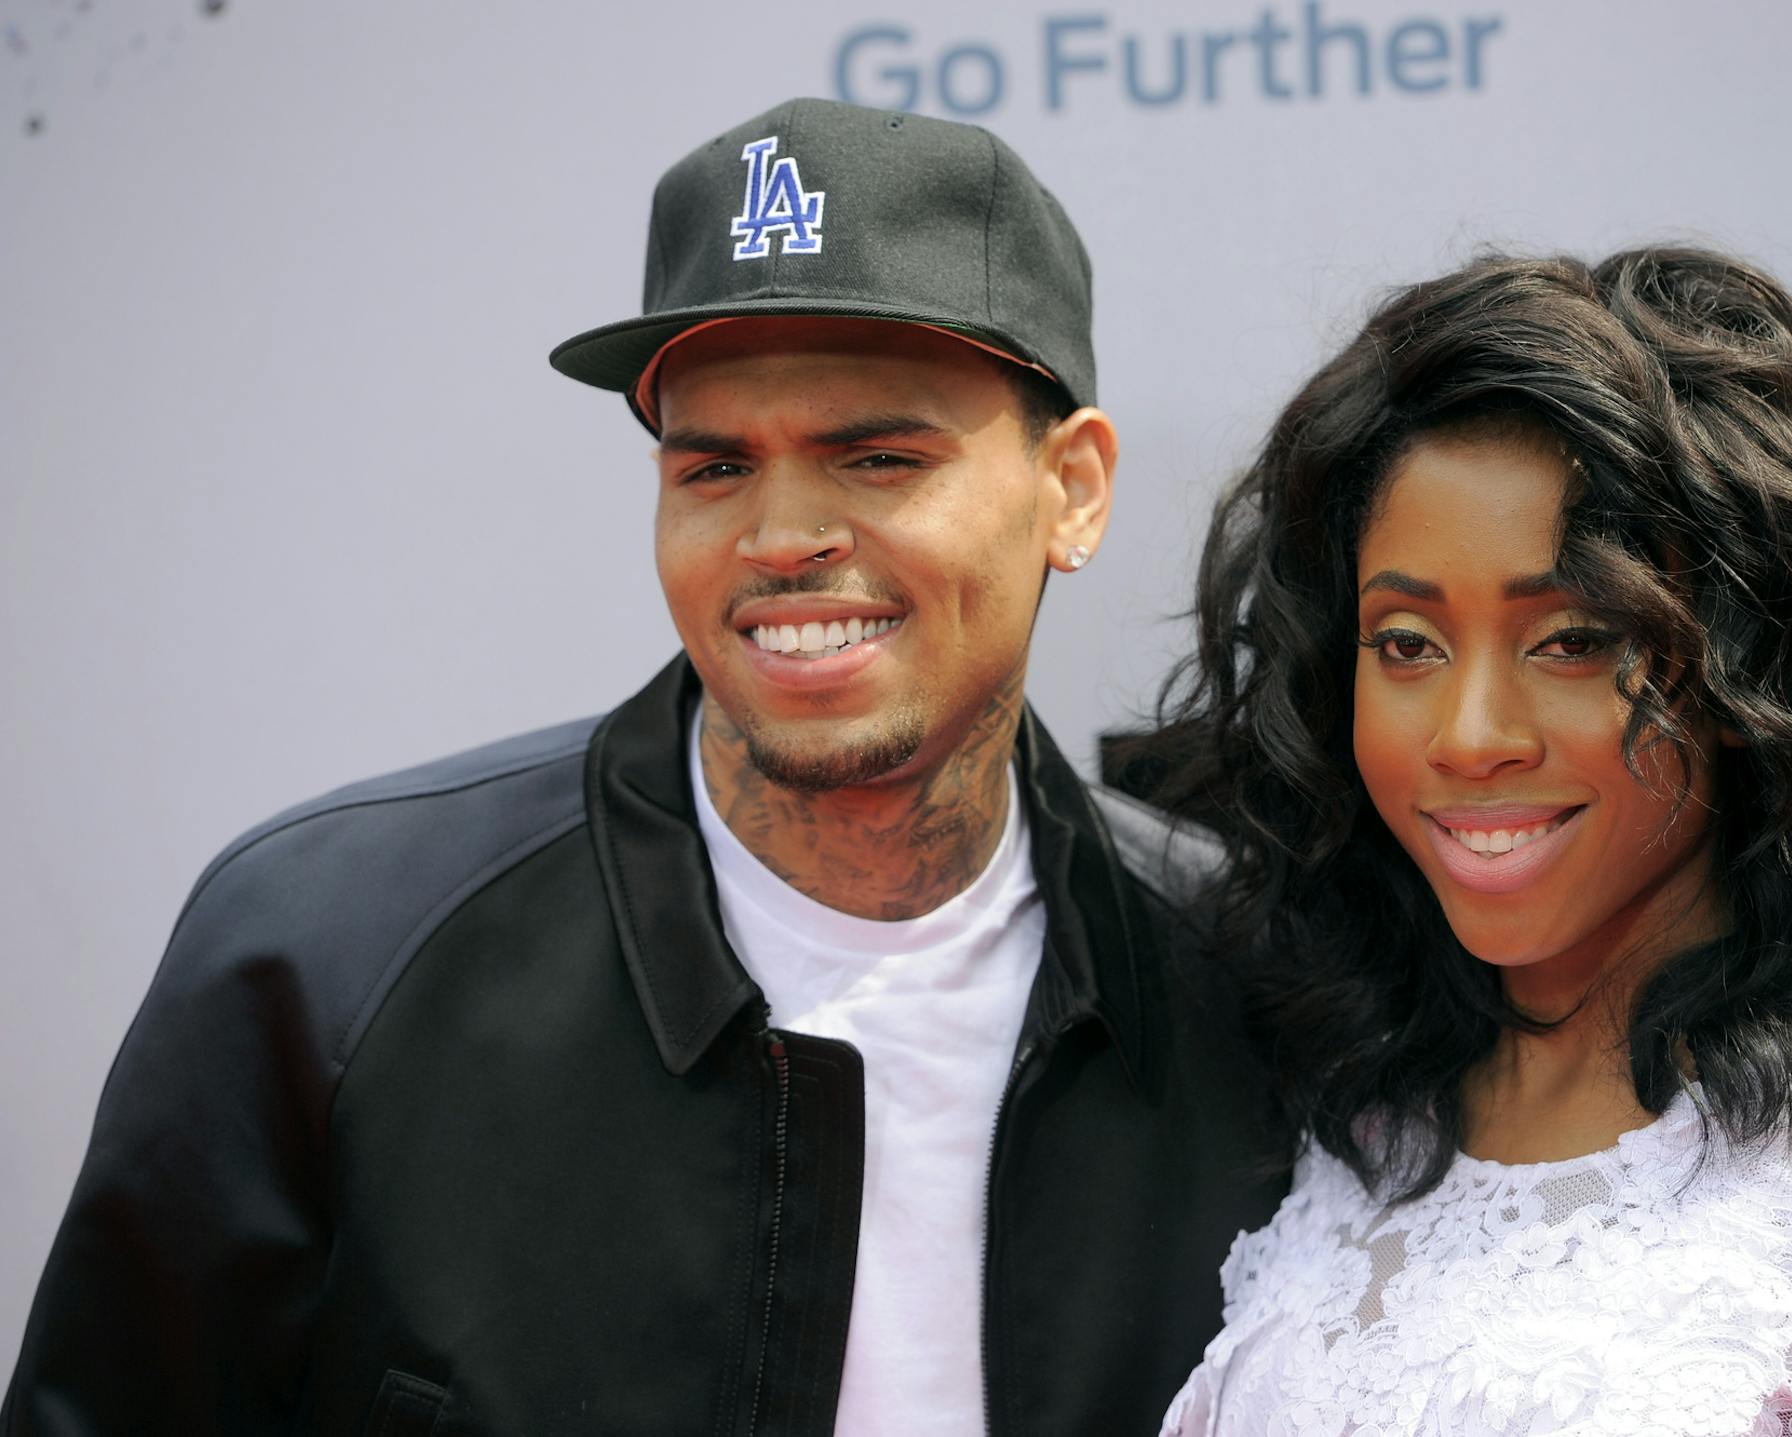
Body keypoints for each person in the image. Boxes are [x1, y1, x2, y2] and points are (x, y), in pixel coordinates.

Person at [5, 98, 1288, 1436]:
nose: (781, 535)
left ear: (1071, 488)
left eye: (880, 456)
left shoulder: (1251, 983)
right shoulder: (319, 958)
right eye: (716, 464)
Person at [1148, 247, 1792, 1434]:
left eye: (1574, 639)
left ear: (1749, 676)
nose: (1470, 738)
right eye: (1408, 643)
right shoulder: (1352, 1129)